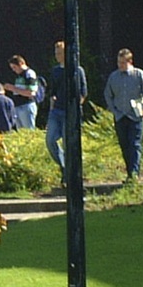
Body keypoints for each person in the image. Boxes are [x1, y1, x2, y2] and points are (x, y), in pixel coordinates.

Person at [105, 48, 143, 179]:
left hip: (135, 116)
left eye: (123, 62)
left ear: (130, 61)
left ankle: (134, 173)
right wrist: (113, 110)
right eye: (118, 62)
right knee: (124, 145)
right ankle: (130, 172)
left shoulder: (139, 75)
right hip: (120, 116)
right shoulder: (113, 77)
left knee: (134, 144)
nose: (120, 65)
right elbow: (108, 94)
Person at [41, 40, 87, 182]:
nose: (57, 56)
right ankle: (64, 166)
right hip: (57, 111)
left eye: (60, 53)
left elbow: (83, 93)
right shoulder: (55, 71)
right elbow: (53, 93)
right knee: (50, 141)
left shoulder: (77, 70)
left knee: (69, 143)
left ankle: (69, 175)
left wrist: (75, 110)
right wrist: (51, 111)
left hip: (70, 111)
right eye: (56, 53)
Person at [4, 55, 41, 129]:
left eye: (15, 67)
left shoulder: (29, 73)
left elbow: (31, 92)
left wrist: (13, 88)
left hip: (26, 105)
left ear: (21, 63)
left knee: (28, 132)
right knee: (20, 133)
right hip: (18, 106)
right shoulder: (18, 76)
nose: (14, 70)